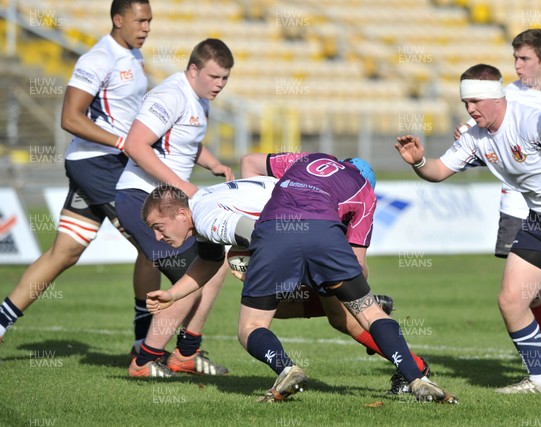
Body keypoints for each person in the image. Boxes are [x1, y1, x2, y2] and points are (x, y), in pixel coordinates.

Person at [145, 153, 458, 404]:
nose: (159, 237)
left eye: (158, 228)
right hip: (322, 231)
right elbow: (358, 266)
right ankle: (417, 376)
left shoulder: (306, 160)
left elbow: (251, 176)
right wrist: (175, 294)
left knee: (253, 326)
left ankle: (287, 368)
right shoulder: (364, 193)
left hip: (278, 230)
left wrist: (260, 260)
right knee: (360, 313)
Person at [396, 63, 541, 394]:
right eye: (465, 103)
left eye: (475, 101)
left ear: (496, 97)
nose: (470, 109)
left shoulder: (533, 120)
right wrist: (418, 161)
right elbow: (438, 170)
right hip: (538, 220)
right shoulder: (475, 137)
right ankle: (540, 380)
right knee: (511, 301)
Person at [0, 0, 159, 351]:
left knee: (65, 252)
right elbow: (70, 118)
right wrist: (123, 142)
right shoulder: (98, 58)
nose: (147, 27)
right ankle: (145, 344)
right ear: (118, 20)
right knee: (155, 243)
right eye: (140, 20)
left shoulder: (133, 56)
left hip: (102, 164)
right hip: (99, 164)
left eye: (150, 21)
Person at [453, 29, 541, 386]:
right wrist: (470, 143)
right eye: (515, 58)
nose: (517, 66)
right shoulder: (506, 98)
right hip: (522, 207)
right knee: (522, 294)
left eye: (525, 59)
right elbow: (490, 145)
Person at [115, 38, 235, 377]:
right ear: (193, 69)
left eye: (225, 78)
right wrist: (183, 186)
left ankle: (182, 351)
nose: (220, 85)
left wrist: (213, 164)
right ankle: (147, 360)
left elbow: (185, 142)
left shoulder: (199, 98)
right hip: (141, 201)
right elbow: (136, 145)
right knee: (192, 277)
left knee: (216, 259)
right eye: (214, 77)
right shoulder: (170, 95)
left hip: (168, 204)